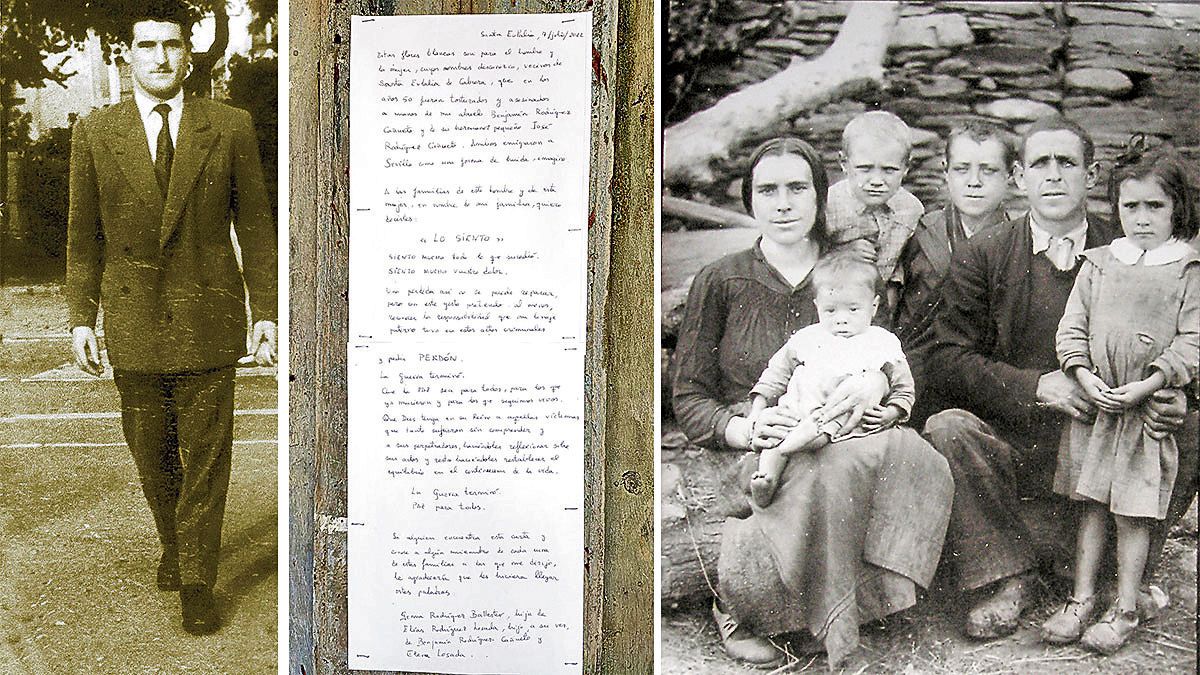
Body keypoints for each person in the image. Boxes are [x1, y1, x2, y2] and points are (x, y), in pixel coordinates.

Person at [672, 136, 952, 667]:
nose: (783, 203)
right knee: (808, 475)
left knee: (897, 458)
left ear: (821, 197)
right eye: (768, 190)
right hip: (758, 443)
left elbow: (885, 354)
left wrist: (877, 388)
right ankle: (766, 612)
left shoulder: (850, 273)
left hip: (844, 433)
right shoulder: (720, 279)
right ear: (749, 201)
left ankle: (857, 604)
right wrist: (744, 428)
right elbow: (688, 397)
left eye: (798, 188)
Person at [922, 116, 1195, 640]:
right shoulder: (985, 254)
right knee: (949, 427)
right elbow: (946, 358)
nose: (1053, 176)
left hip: (1115, 437)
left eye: (1066, 163)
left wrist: (1175, 396)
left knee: (1192, 425)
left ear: (1091, 176)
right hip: (1022, 442)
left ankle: (1120, 580)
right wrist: (1034, 387)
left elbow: (1191, 334)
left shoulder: (1139, 248)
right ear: (1019, 178)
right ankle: (1010, 576)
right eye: (1039, 164)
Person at [66, 4, 277, 635]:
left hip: (209, 317)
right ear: (127, 55)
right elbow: (84, 237)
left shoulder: (230, 126)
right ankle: (175, 541)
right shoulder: (94, 131)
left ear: (190, 54)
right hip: (133, 322)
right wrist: (82, 317)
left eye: (173, 46)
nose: (161, 57)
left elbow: (257, 229)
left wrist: (265, 310)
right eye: (147, 46)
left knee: (208, 456)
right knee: (153, 455)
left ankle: (197, 580)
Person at [1040, 146, 1199, 653]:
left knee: (1133, 512)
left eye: (1155, 206)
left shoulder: (1188, 270)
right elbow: (1073, 328)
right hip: (1099, 408)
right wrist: (1084, 376)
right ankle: (1081, 598)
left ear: (1178, 208)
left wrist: (1150, 384)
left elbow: (1192, 341)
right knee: (1090, 505)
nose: (1142, 219)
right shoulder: (1101, 263)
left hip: (1144, 414)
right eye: (1130, 207)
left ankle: (1126, 607)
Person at [746, 253, 915, 507]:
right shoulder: (808, 338)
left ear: (874, 306)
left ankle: (796, 444)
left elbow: (904, 386)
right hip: (797, 409)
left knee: (829, 420)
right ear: (817, 306)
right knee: (778, 428)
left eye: (853, 309)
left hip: (838, 414)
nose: (841, 318)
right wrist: (758, 409)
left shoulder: (880, 342)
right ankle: (766, 478)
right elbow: (775, 374)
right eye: (831, 310)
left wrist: (892, 412)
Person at [893, 119, 1018, 418]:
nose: (974, 181)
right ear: (945, 171)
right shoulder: (920, 235)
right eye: (962, 169)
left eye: (988, 170)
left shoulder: (1020, 243)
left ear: (1011, 175)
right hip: (917, 384)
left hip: (987, 389)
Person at [825, 110, 925, 317]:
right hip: (832, 307)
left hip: (884, 307)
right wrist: (839, 254)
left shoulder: (911, 209)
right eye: (865, 168)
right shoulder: (827, 206)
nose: (877, 180)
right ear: (844, 163)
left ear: (906, 168)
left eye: (889, 170)